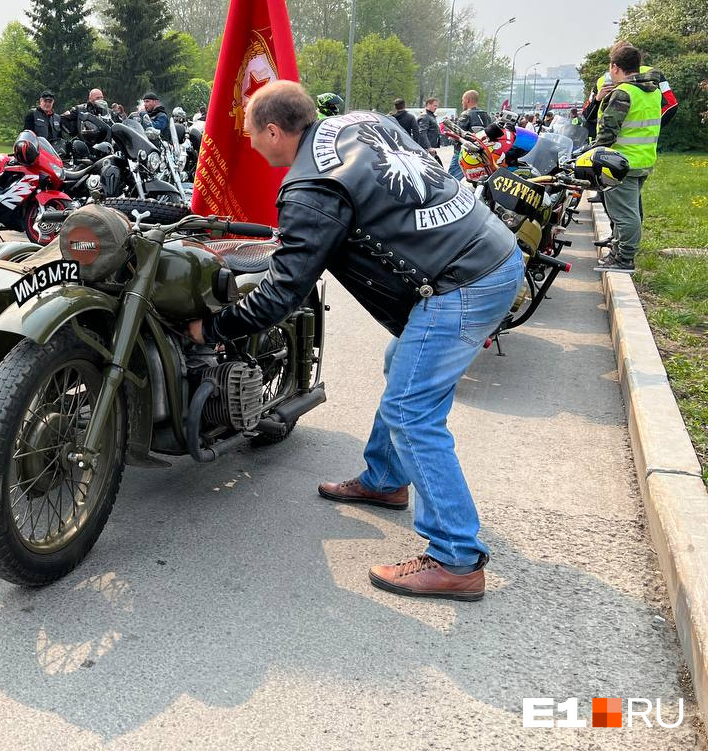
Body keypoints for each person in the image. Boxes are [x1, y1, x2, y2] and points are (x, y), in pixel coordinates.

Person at [189, 81, 520, 600]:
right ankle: (385, 480)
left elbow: (282, 294)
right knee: (400, 363)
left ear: (274, 131)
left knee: (411, 410)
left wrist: (209, 329)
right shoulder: (358, 122)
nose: (250, 143)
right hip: (492, 250)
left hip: (463, 282)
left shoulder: (311, 188)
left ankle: (456, 558)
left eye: (251, 134)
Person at [595, 42, 662, 273]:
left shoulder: (624, 93)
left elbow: (608, 132)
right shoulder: (652, 92)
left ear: (615, 67)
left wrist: (593, 154)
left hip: (619, 163)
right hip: (642, 160)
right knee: (630, 211)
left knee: (624, 215)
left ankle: (624, 258)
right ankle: (618, 252)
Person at [447, 90, 490, 180]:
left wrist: (451, 137)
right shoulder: (486, 115)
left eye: (463, 100)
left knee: (452, 179)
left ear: (467, 100)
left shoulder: (466, 114)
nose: (462, 102)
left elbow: (458, 133)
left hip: (463, 153)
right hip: (482, 154)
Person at [416, 97, 442, 162]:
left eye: (436, 106)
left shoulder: (430, 115)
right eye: (434, 105)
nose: (436, 108)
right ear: (428, 105)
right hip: (425, 149)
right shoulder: (425, 116)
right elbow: (422, 132)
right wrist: (428, 147)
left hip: (429, 148)